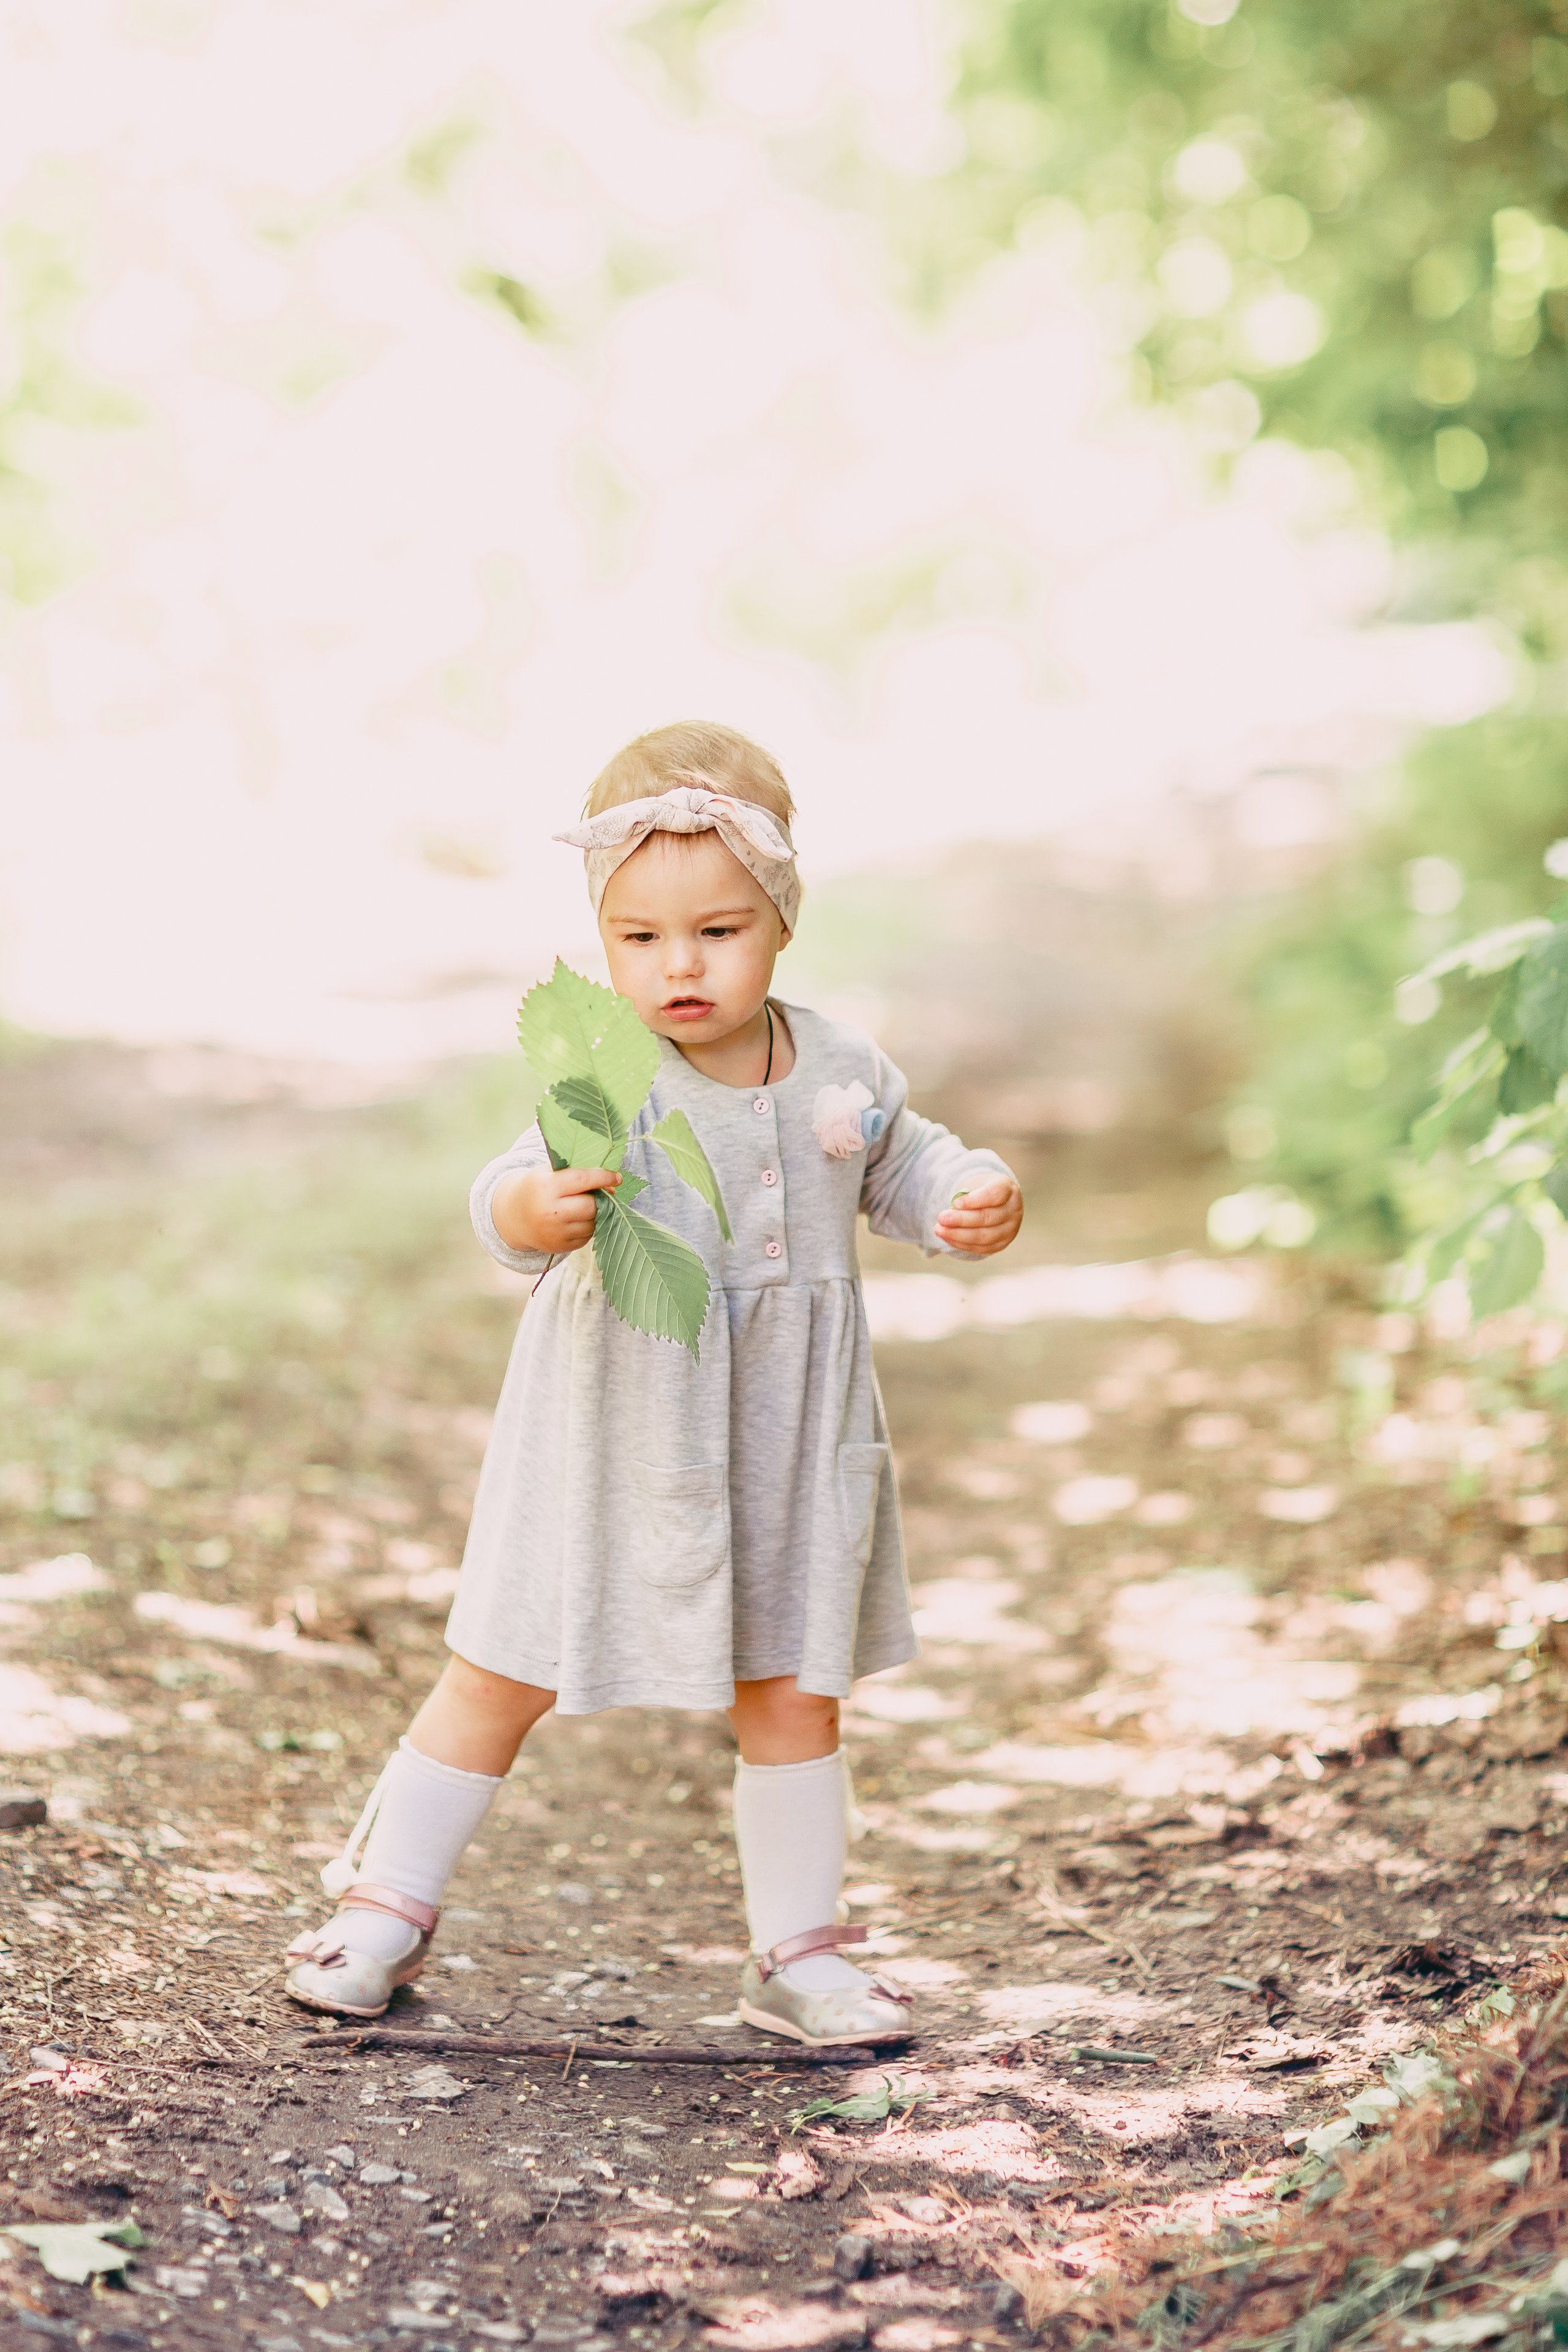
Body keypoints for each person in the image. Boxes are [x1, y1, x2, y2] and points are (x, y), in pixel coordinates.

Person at [284, 722, 1023, 2046]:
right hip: (612, 1428)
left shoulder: (843, 1067)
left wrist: (963, 1193)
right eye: (639, 938)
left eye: (719, 931)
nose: (679, 966)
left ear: (783, 923)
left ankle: (796, 1952)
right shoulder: (609, 1074)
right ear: (603, 934)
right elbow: (504, 1195)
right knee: (503, 1659)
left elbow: (901, 1163)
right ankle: (384, 1901)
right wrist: (536, 1205)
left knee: (795, 1683)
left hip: (785, 1436)